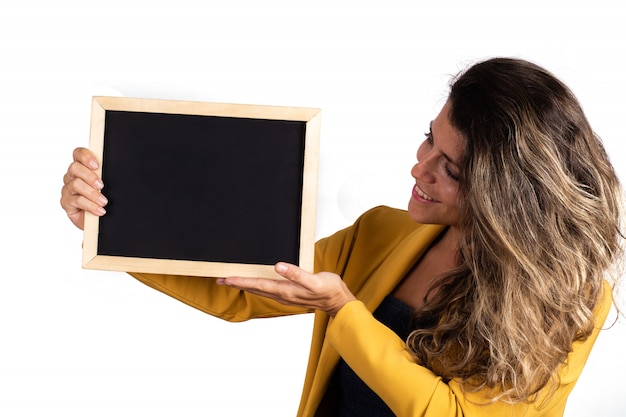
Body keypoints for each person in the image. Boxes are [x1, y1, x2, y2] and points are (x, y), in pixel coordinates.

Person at [60, 57, 624, 417]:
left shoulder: (570, 302)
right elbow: (240, 287)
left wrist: (343, 309)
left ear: (508, 195)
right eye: (428, 139)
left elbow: (449, 413)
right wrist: (109, 222)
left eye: (449, 168)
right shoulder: (384, 233)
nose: (419, 168)